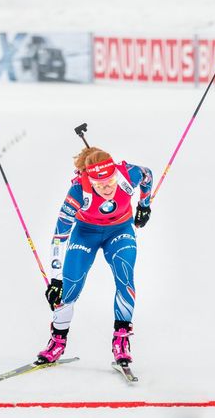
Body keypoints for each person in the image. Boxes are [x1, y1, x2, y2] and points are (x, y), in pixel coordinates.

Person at [37, 147, 153, 366]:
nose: (107, 189)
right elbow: (59, 236)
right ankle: (57, 341)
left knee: (125, 277)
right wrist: (55, 280)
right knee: (69, 288)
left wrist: (144, 206)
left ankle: (121, 341)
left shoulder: (128, 175)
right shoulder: (79, 191)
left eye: (110, 182)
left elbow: (148, 175)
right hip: (85, 234)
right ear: (90, 181)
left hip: (120, 231)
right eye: (100, 185)